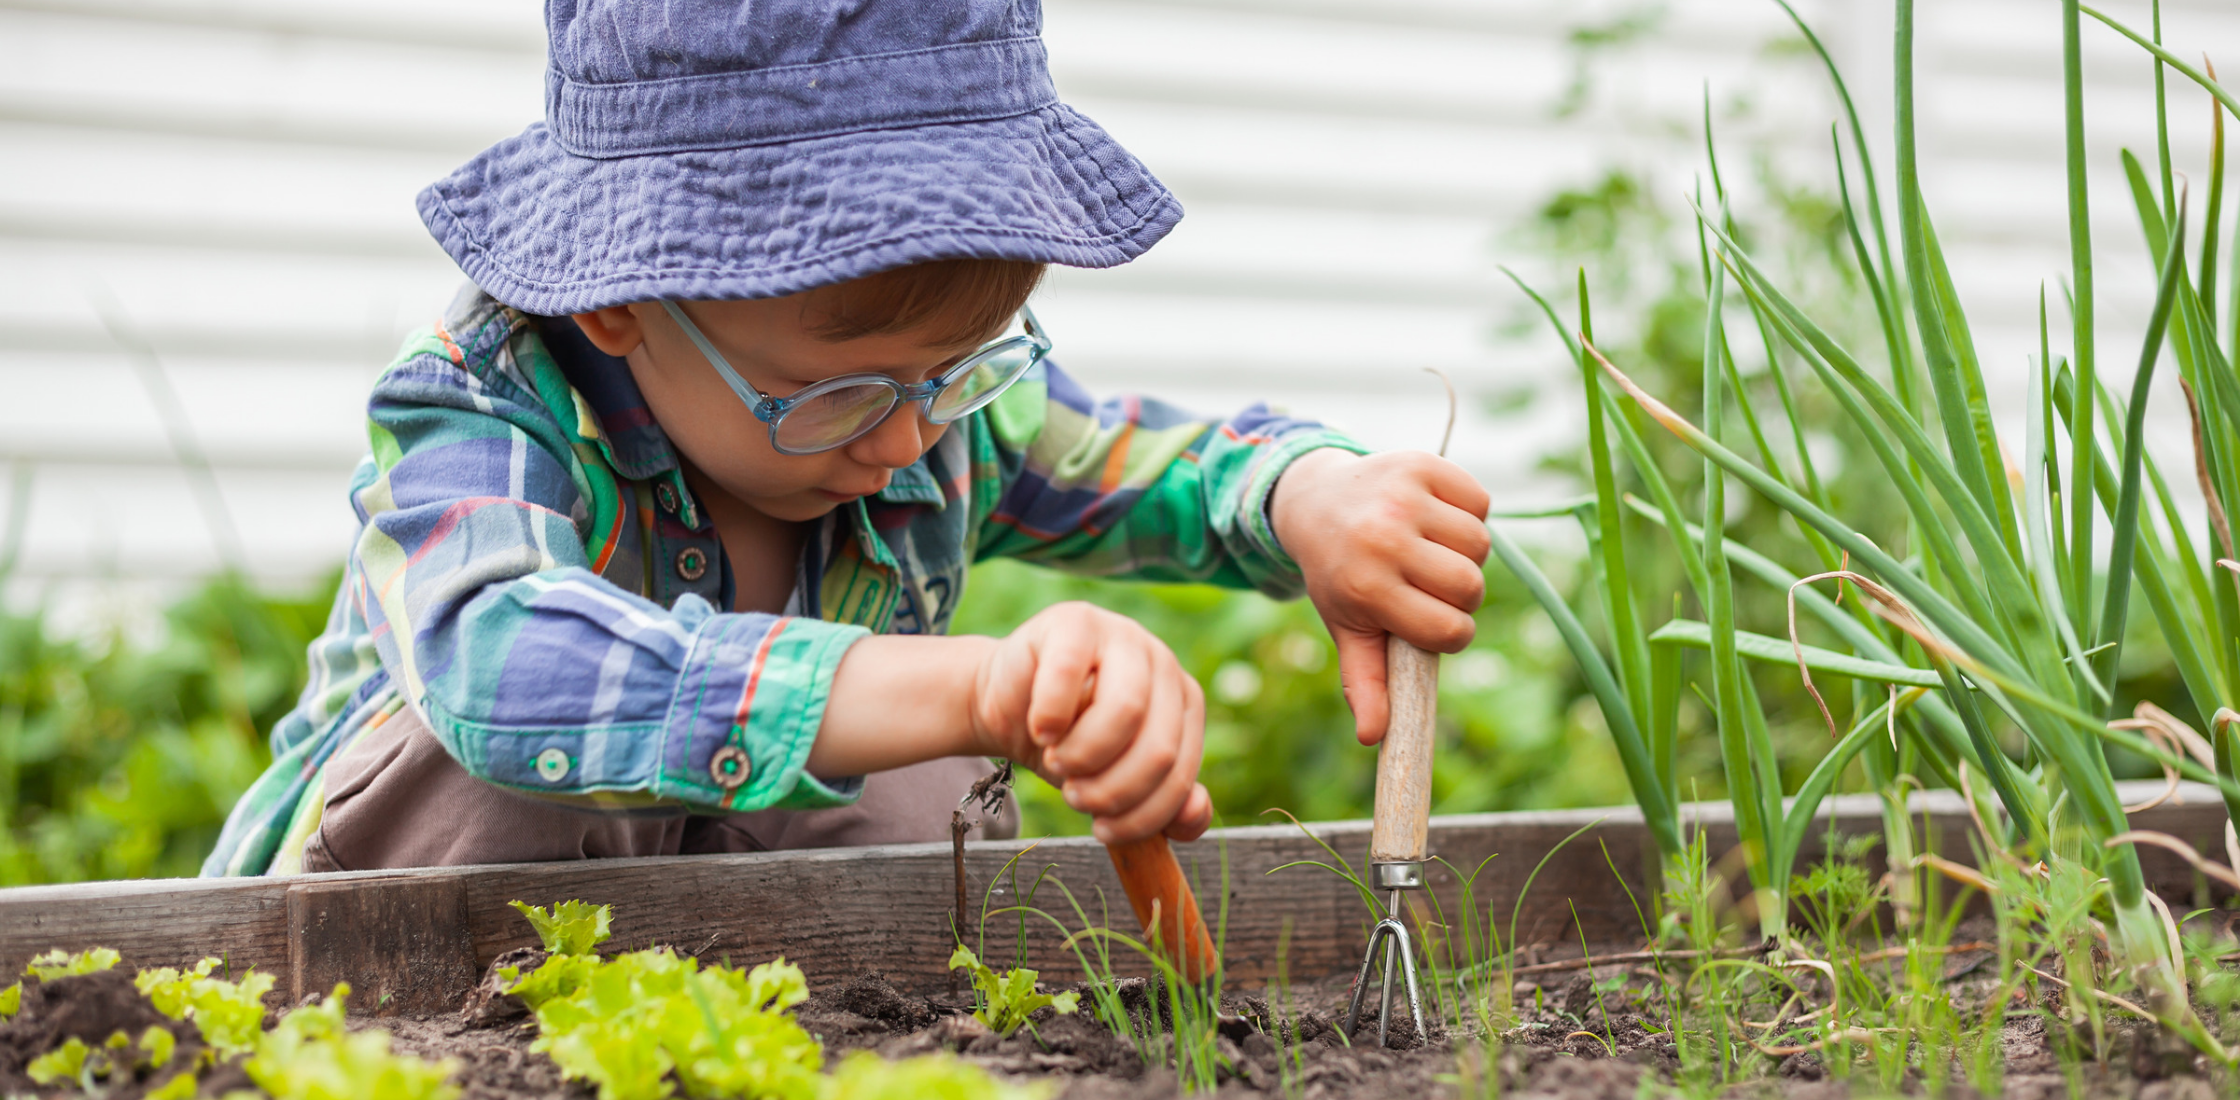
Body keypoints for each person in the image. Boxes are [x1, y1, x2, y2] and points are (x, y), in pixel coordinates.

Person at [203, 0, 1491, 876]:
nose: (911, 437)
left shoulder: (923, 406)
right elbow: (497, 666)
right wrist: (970, 689)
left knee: (923, 792)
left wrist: (1308, 498)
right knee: (504, 773)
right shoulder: (487, 406)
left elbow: (1155, 472)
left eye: (953, 376)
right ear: (620, 292)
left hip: (745, 982)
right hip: (380, 967)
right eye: (842, 395)